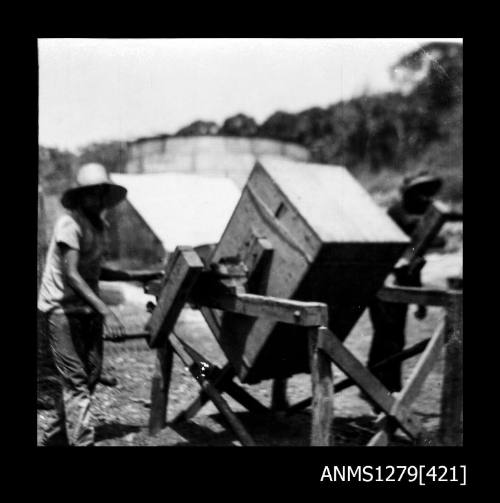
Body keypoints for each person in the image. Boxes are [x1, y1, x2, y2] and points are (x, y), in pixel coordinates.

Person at [38, 163, 162, 446]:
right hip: (62, 311)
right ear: (81, 197)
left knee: (90, 376)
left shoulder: (99, 226)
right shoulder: (69, 224)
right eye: (91, 194)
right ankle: (83, 442)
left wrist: (139, 274)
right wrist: (107, 311)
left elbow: (96, 270)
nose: (97, 199)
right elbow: (72, 273)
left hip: (86, 310)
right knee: (77, 381)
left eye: (101, 194)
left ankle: (53, 437)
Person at [367, 170, 444, 394]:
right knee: (388, 336)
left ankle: (374, 382)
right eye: (421, 193)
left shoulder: (415, 225)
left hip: (401, 284)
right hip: (385, 280)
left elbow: (414, 261)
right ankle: (385, 387)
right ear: (411, 193)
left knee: (390, 337)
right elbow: (404, 245)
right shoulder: (396, 213)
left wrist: (419, 303)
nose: (426, 198)